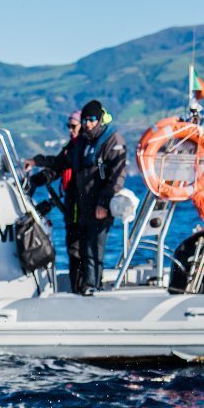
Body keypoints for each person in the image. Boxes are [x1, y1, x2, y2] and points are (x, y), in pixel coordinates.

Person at [70, 99, 127, 295]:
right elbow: (65, 161)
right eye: (85, 119)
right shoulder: (84, 141)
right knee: (85, 249)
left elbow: (117, 175)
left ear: (100, 119)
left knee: (96, 248)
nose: (88, 123)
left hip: (100, 205)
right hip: (84, 205)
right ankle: (87, 284)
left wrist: (104, 202)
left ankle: (94, 284)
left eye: (92, 119)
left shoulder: (113, 140)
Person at [24, 111, 84, 291]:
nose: (70, 130)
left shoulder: (82, 148)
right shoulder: (71, 147)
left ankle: (82, 287)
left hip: (80, 205)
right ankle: (77, 287)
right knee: (73, 248)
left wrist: (37, 162)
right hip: (70, 203)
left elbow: (58, 163)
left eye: (73, 126)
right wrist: (34, 181)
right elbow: (56, 168)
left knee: (78, 248)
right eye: (68, 127)